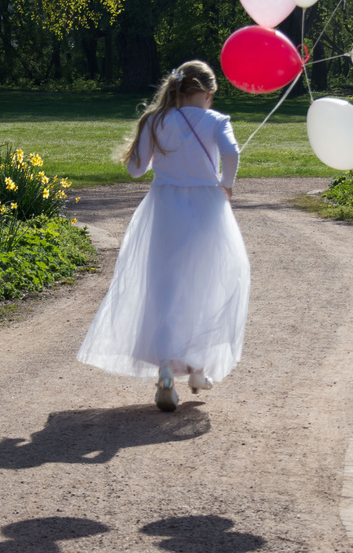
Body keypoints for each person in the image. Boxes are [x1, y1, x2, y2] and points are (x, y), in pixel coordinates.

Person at [77, 60, 250, 411]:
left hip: (164, 207)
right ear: (206, 93)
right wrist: (226, 185)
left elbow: (136, 169)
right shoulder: (217, 121)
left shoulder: (155, 120)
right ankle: (199, 369)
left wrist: (159, 154)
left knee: (166, 286)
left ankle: (167, 371)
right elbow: (231, 153)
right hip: (207, 208)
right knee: (205, 284)